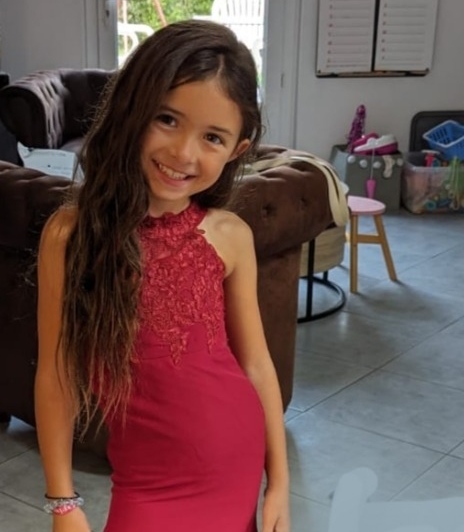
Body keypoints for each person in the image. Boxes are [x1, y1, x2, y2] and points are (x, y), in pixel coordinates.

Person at [35, 19, 290, 532]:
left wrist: (280, 482)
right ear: (133, 110)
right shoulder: (70, 235)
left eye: (212, 137)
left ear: (237, 150)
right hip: (146, 484)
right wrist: (63, 501)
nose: (183, 153)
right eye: (168, 119)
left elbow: (257, 365)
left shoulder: (230, 235)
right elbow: (57, 374)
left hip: (236, 459)